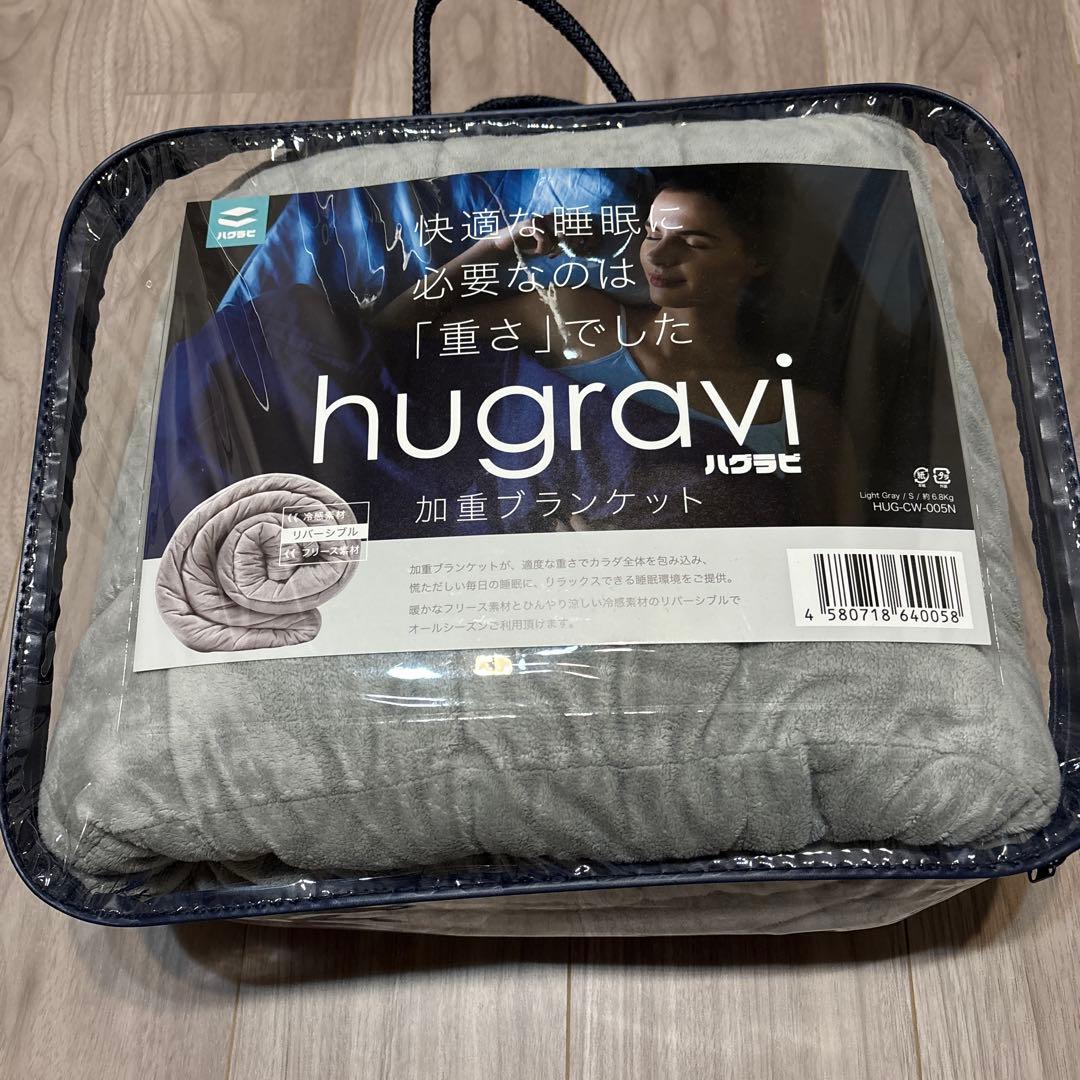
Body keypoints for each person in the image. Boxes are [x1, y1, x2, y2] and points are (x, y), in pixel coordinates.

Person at [374, 165, 855, 518]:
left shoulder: (801, 416)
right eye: (652, 233)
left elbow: (828, 561)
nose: (660, 255)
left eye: (694, 242)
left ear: (757, 259)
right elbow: (393, 335)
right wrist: (497, 248)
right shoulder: (576, 317)